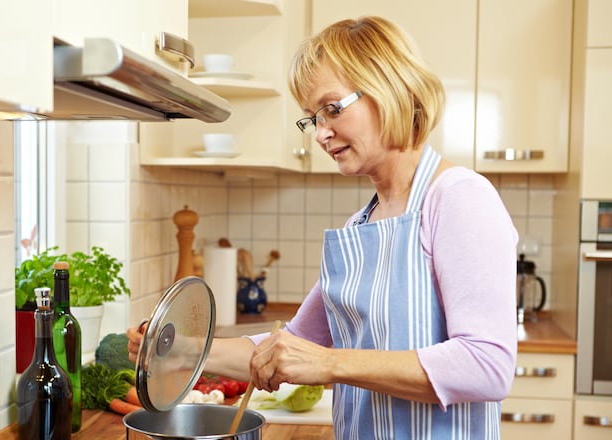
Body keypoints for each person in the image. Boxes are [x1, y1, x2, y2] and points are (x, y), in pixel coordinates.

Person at [128, 16, 518, 439]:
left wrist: (329, 363)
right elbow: (289, 346)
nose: (320, 133)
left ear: (390, 88)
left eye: (331, 109)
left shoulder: (459, 198)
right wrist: (178, 352)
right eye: (312, 117)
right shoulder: (362, 223)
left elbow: (488, 364)